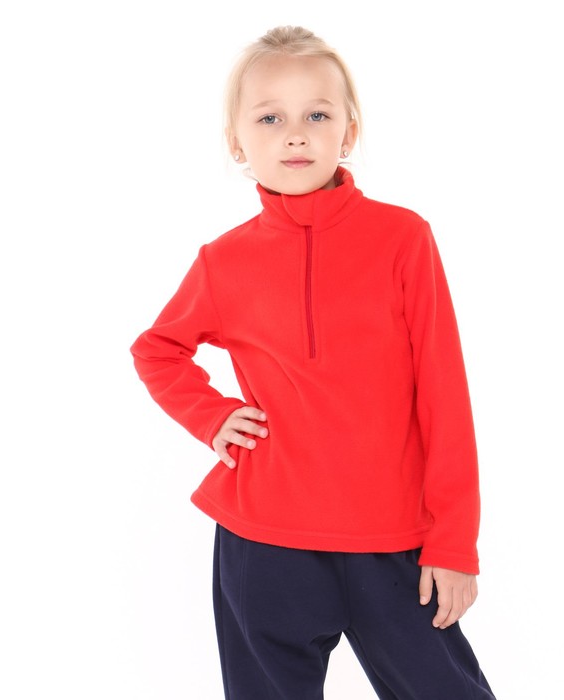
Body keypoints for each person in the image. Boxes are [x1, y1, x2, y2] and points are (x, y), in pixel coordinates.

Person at [130, 25, 495, 700]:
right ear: (238, 143)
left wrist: (454, 543)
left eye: (317, 116)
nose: (295, 136)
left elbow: (444, 395)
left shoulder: (403, 239)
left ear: (348, 132)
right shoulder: (223, 261)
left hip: (392, 541)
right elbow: (158, 349)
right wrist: (212, 416)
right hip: (264, 543)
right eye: (270, 118)